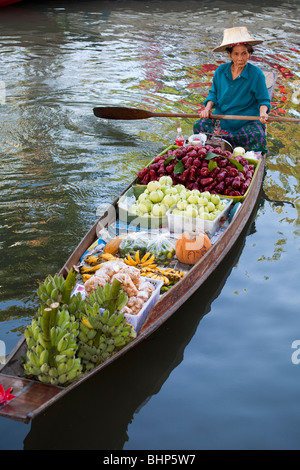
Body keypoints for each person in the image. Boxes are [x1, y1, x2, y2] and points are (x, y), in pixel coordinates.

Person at [193, 27, 271, 152]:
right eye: (236, 54)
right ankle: (216, 148)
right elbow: (213, 94)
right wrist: (207, 109)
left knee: (258, 136)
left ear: (249, 54)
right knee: (199, 126)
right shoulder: (221, 71)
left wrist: (263, 113)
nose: (240, 58)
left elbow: (263, 101)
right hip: (222, 119)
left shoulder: (256, 74)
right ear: (229, 54)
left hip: (246, 121)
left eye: (244, 53)